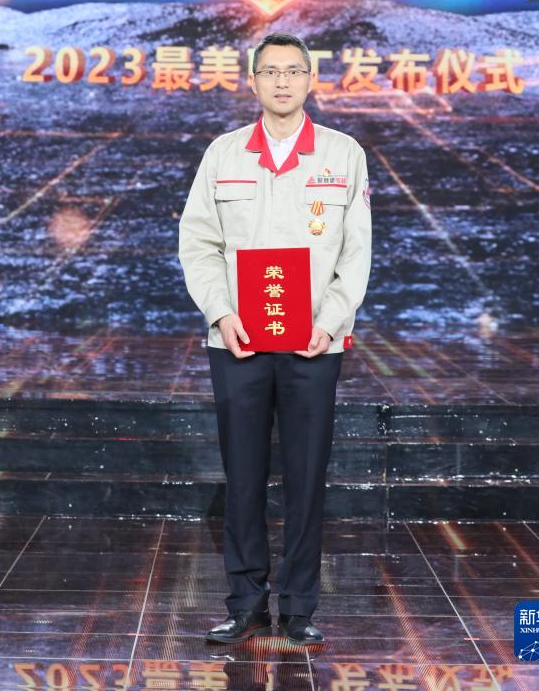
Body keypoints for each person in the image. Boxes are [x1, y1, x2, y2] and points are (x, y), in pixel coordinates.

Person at [178, 31, 372, 645]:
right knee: (242, 475)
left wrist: (331, 320)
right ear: (254, 81)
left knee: (307, 477)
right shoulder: (224, 154)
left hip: (314, 343)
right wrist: (220, 313)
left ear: (311, 80)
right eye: (270, 72)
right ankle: (246, 603)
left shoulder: (343, 154)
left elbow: (357, 252)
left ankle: (300, 608)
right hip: (239, 341)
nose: (282, 81)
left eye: (293, 71)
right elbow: (198, 244)